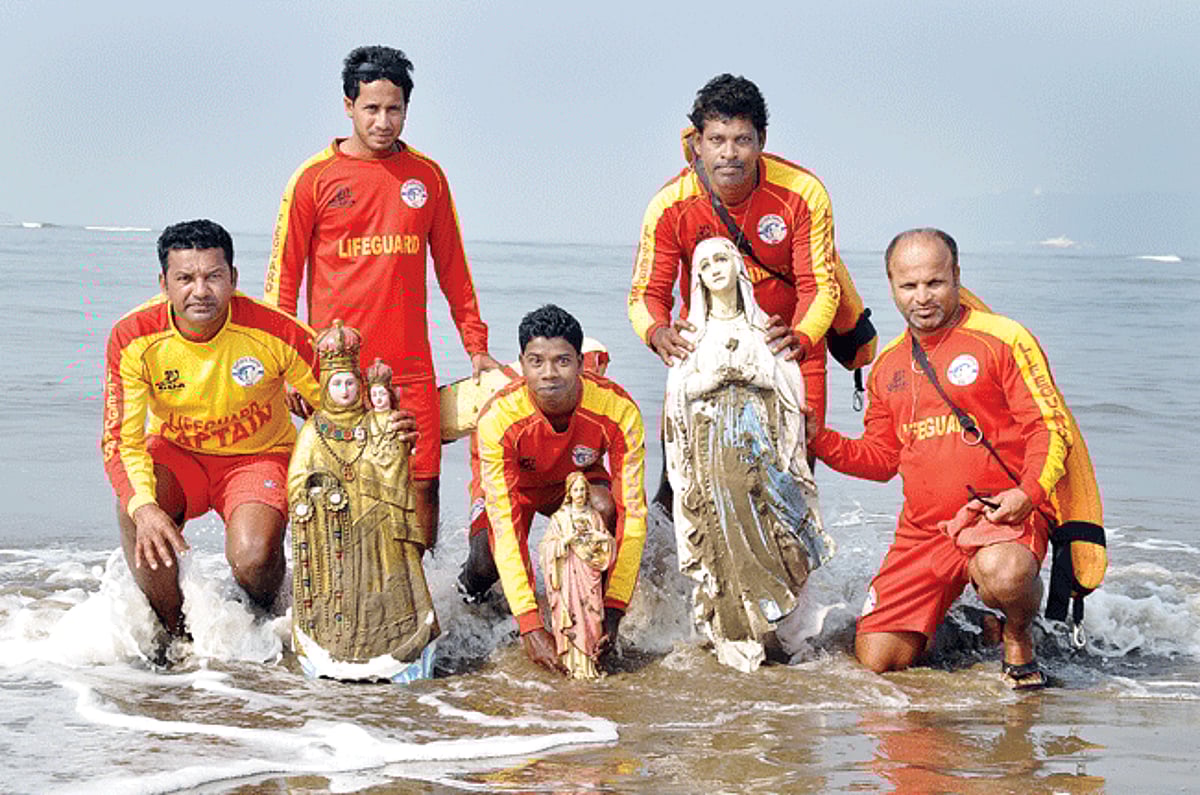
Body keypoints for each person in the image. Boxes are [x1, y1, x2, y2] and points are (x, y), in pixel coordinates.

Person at [807, 228, 1072, 688]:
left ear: (956, 277)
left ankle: (1018, 635)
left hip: (999, 516)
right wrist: (818, 439)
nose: (922, 297)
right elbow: (880, 458)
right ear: (891, 287)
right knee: (877, 660)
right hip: (925, 530)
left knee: (1003, 574)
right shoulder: (887, 364)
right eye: (909, 286)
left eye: (935, 283)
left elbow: (1050, 430)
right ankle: (972, 629)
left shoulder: (1004, 338)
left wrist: (1028, 494)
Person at [263, 44, 500, 553]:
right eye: (371, 108)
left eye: (394, 109)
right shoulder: (313, 179)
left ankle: (419, 608)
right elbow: (283, 277)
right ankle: (342, 609)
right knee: (343, 491)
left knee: (422, 487)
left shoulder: (428, 178)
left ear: (407, 109)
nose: (383, 120)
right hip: (336, 369)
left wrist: (476, 345)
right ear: (348, 106)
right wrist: (286, 364)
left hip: (410, 365)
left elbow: (454, 269)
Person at [102, 219, 324, 641]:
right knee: (134, 504)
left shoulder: (275, 330)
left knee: (253, 559)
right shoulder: (133, 335)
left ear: (233, 278)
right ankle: (175, 635)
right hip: (178, 455)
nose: (200, 291)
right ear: (164, 282)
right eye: (185, 278)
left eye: (213, 276)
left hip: (258, 456)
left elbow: (339, 403)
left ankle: (267, 624)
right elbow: (120, 441)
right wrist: (145, 509)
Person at [629, 73, 847, 431]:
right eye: (717, 140)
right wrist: (657, 332)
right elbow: (646, 293)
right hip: (705, 349)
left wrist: (801, 337)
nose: (729, 154)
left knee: (797, 468)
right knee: (685, 471)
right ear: (698, 143)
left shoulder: (803, 193)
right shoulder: (669, 205)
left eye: (742, 140)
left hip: (790, 343)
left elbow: (819, 287)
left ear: (761, 140)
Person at [664, 238, 834, 672]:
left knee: (783, 536)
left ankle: (785, 629)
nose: (715, 269)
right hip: (713, 458)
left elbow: (789, 392)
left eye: (722, 259)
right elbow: (677, 403)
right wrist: (714, 381)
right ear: (697, 278)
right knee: (723, 541)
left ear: (739, 269)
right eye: (704, 264)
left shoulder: (764, 331)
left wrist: (754, 376)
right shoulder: (691, 338)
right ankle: (736, 632)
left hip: (763, 454)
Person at [458, 304, 648, 674]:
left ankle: (591, 616)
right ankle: (470, 602)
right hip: (517, 489)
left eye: (562, 361)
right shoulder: (499, 418)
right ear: (521, 364)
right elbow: (505, 526)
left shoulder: (618, 409)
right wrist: (529, 626)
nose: (549, 374)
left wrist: (614, 608)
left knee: (604, 510)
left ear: (579, 362)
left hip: (573, 482)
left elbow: (634, 515)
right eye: (536, 362)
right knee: (487, 559)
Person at [288, 327, 438, 683]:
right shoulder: (313, 431)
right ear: (325, 386)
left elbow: (396, 462)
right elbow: (296, 483)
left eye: (351, 384)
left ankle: (399, 652)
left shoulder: (377, 422)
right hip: (333, 534)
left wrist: (400, 444)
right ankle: (331, 652)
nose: (345, 391)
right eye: (337, 384)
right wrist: (319, 494)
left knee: (392, 589)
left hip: (380, 531)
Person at [539, 471, 614, 680]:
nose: (579, 493)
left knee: (592, 617)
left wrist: (601, 538)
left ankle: (590, 663)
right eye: (576, 489)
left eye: (582, 489)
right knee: (571, 618)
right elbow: (546, 548)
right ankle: (572, 663)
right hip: (568, 577)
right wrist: (565, 541)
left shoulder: (594, 517)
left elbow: (607, 545)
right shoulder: (560, 518)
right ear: (569, 493)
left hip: (589, 576)